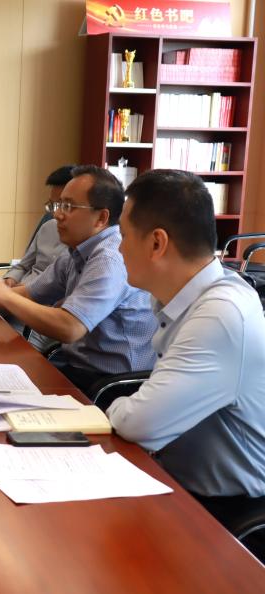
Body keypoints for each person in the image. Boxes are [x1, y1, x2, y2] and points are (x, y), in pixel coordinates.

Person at [108, 170, 265, 544]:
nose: (118, 249)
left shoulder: (220, 314)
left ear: (157, 243)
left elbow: (140, 424)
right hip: (179, 482)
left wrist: (114, 407)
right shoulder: (184, 298)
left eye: (123, 236)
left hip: (230, 518)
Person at [0, 165, 156, 395]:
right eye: (57, 205)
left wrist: (4, 295)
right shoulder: (77, 250)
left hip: (110, 385)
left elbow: (70, 327)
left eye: (68, 206)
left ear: (101, 218)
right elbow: (30, 293)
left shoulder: (109, 258)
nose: (57, 215)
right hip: (75, 366)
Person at [3, 165, 73, 287]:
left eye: (63, 205)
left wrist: (19, 292)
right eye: (53, 205)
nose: (55, 214)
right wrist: (9, 280)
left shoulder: (88, 249)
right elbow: (22, 266)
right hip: (20, 289)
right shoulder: (48, 227)